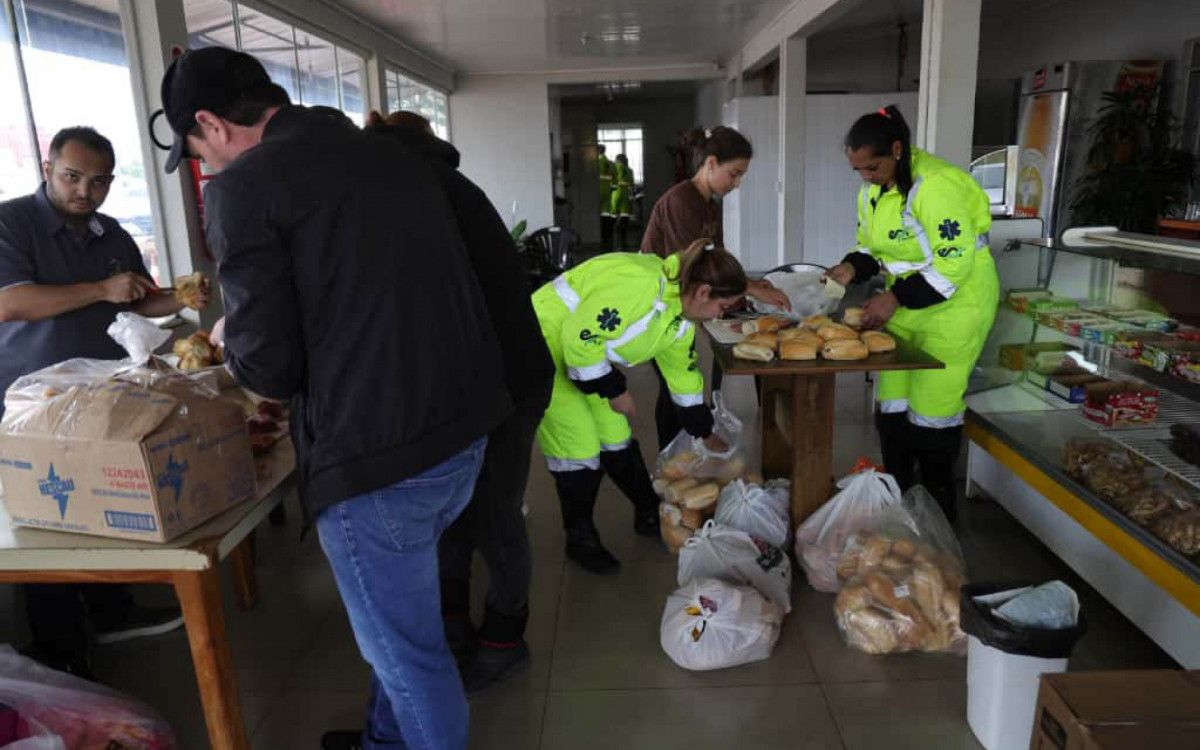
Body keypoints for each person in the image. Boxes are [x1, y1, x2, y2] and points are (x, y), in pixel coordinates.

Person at [154, 48, 511, 750]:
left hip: (377, 459)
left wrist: (230, 333)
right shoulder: (384, 153)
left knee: (408, 658)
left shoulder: (245, 186)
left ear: (209, 124)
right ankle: (384, 741)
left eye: (195, 151)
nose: (205, 168)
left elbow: (271, 368)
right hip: (461, 432)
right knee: (401, 625)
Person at [0, 126, 203, 678]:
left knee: (103, 509)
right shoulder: (11, 222)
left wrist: (182, 294)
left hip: (104, 393)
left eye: (98, 181)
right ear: (48, 168)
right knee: (50, 517)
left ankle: (114, 612)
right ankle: (62, 651)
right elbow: (11, 303)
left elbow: (139, 298)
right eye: (72, 177)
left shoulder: (110, 232)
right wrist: (97, 289)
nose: (83, 191)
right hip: (33, 401)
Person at [364, 110, 555, 694]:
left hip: (504, 381)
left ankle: (504, 637)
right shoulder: (434, 185)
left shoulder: (422, 194)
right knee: (450, 511)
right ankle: (453, 626)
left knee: (494, 515)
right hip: (466, 383)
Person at [823, 105, 999, 522]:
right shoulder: (872, 189)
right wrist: (852, 267)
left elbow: (953, 264)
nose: (866, 176)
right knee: (893, 404)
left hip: (956, 305)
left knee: (932, 413)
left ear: (897, 150)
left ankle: (937, 518)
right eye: (858, 170)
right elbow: (870, 245)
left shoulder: (935, 185)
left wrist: (894, 299)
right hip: (906, 305)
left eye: (873, 166)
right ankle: (897, 499)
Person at [533, 239, 745, 574]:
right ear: (704, 292)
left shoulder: (679, 317)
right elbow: (580, 337)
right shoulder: (640, 288)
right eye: (724, 307)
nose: (722, 316)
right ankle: (580, 538)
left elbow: (682, 375)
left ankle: (647, 510)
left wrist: (703, 430)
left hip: (584, 355)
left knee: (615, 434)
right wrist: (614, 389)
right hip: (544, 341)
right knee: (579, 447)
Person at [639, 125, 791, 449]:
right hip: (659, 307)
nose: (736, 184)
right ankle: (674, 460)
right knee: (676, 390)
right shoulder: (682, 201)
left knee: (695, 384)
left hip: (685, 304)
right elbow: (698, 268)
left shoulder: (709, 204)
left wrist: (743, 288)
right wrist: (750, 289)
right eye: (733, 174)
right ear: (710, 164)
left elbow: (717, 259)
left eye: (741, 177)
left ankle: (692, 453)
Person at [611, 153, 634, 250]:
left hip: (616, 193)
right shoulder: (629, 170)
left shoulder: (614, 167)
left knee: (613, 217)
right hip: (626, 195)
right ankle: (623, 241)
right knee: (624, 217)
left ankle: (614, 241)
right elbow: (631, 185)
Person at [597, 144, 615, 249]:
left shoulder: (594, 163)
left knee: (598, 214)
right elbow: (615, 181)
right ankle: (607, 236)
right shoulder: (611, 164)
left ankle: (599, 236)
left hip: (598, 191)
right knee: (606, 213)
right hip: (608, 192)